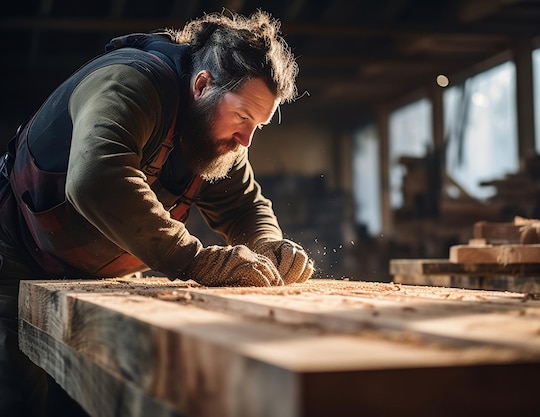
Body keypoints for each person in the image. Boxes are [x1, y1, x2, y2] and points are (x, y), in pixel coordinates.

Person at [0, 10, 314, 416]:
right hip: (16, 255)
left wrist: (270, 246)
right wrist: (195, 260)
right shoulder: (130, 83)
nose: (246, 139)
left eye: (258, 125)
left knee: (104, 397)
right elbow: (96, 179)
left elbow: (244, 207)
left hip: (99, 277)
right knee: (20, 399)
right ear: (203, 86)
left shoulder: (220, 135)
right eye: (242, 118)